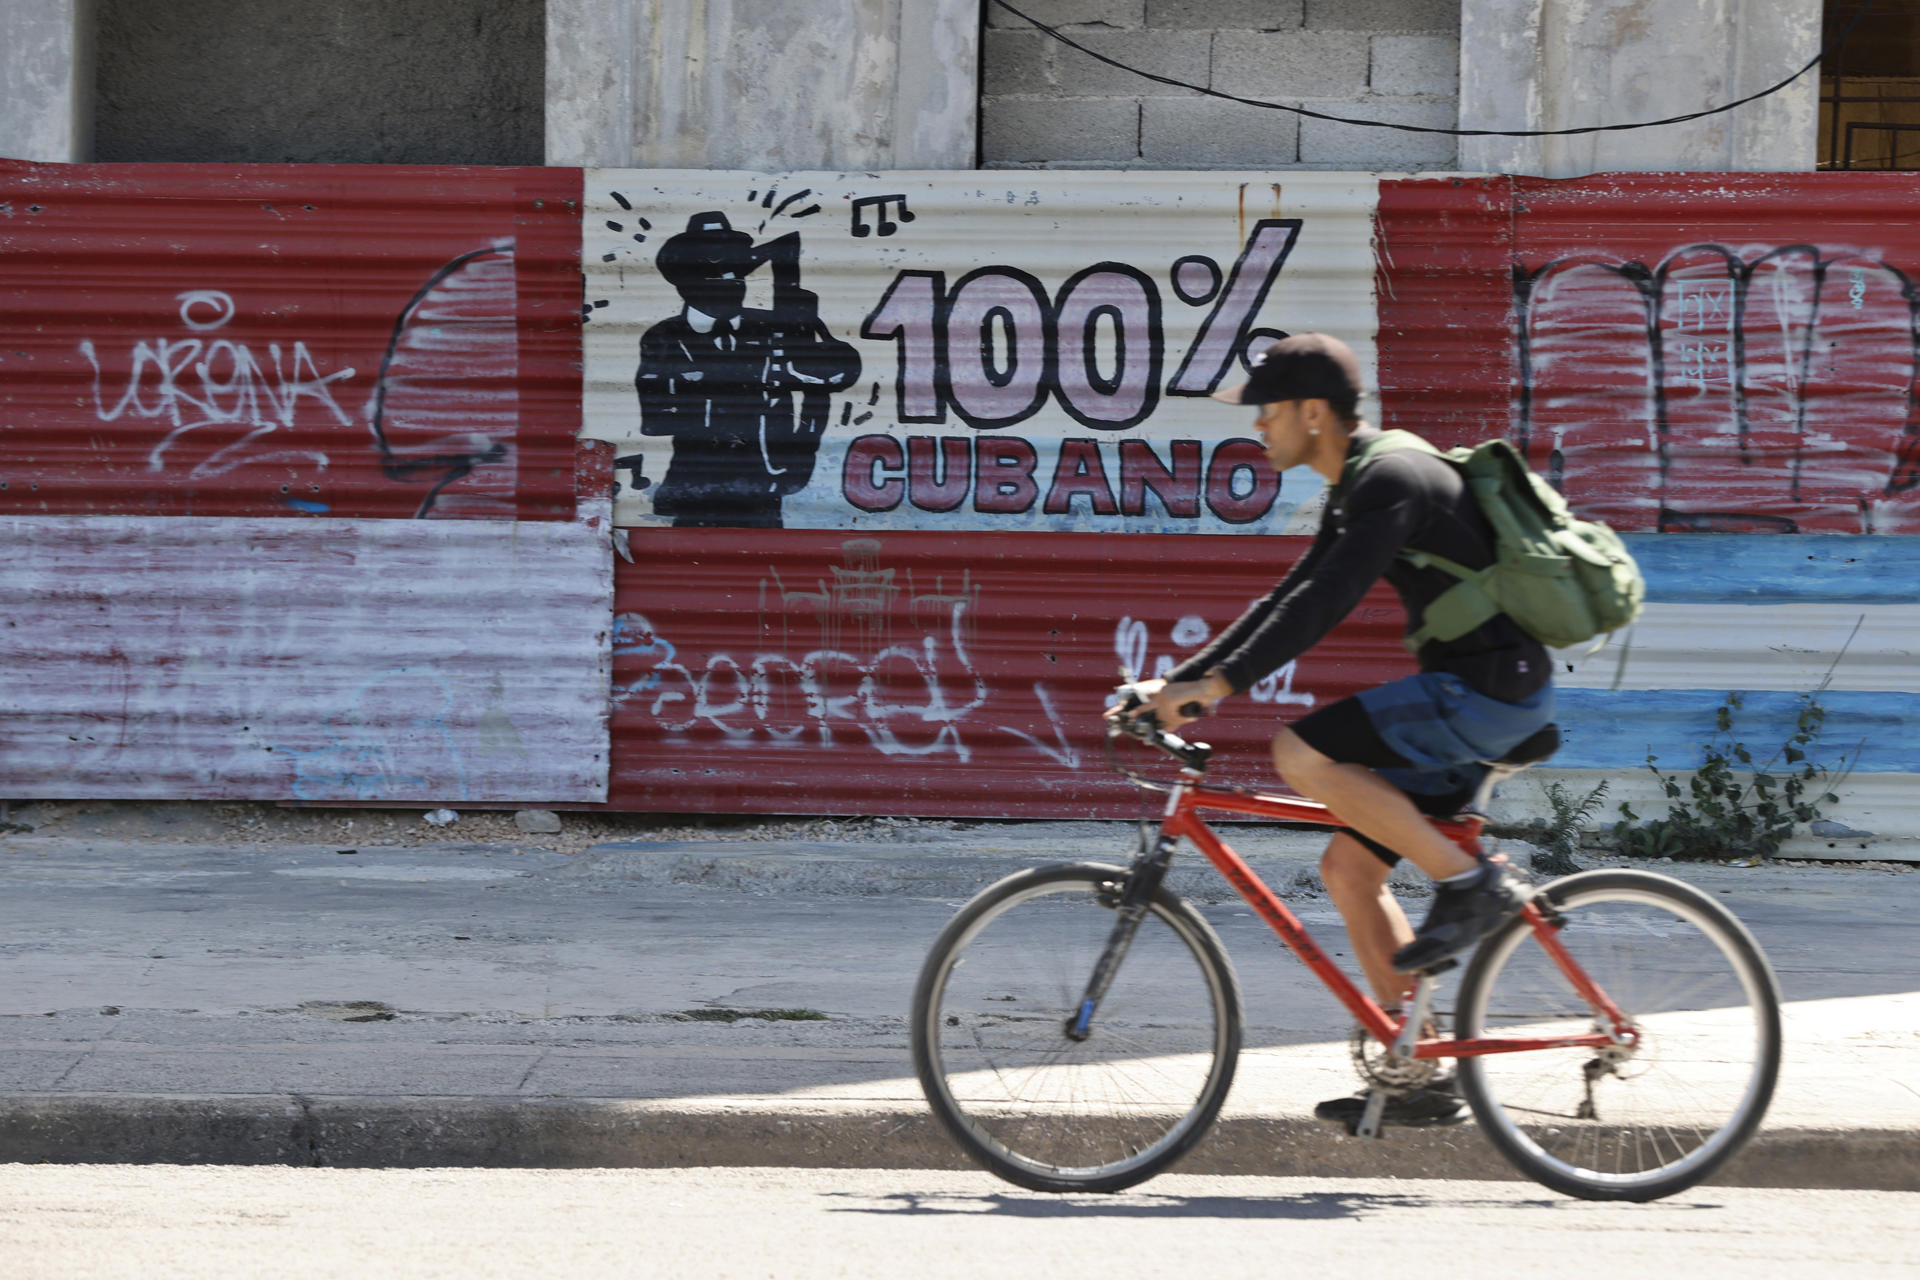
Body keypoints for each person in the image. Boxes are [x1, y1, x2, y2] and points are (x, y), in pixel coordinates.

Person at [1110, 333, 1552, 1129]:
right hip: (1468, 691)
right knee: (1350, 870)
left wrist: (1211, 688)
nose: (1258, 428)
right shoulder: (1358, 483)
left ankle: (1469, 883)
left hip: (1485, 692)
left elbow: (1328, 602)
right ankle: (1419, 1072)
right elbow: (1292, 594)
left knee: (1298, 751)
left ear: (1314, 413)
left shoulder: (1388, 477)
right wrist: (1179, 685)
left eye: (1267, 412)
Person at [636, 213, 861, 528]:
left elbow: (841, 372)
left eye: (736, 268)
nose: (731, 279)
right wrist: (743, 385)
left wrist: (805, 372)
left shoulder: (775, 326)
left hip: (765, 488)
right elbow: (655, 421)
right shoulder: (664, 338)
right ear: (686, 280)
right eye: (715, 270)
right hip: (694, 490)